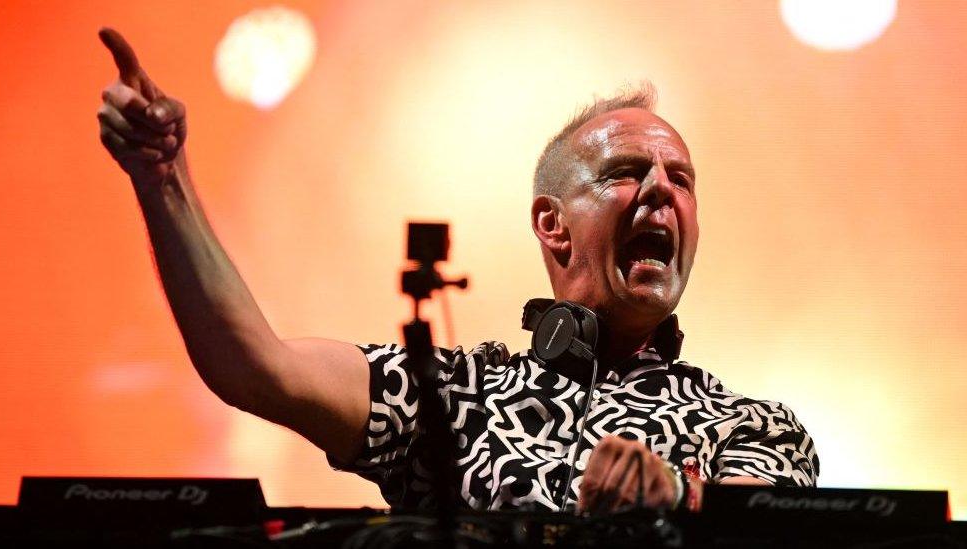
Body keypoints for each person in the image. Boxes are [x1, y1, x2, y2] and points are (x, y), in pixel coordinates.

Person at [96, 27, 818, 515]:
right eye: (628, 172)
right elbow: (255, 364)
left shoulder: (754, 425)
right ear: (552, 224)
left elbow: (761, 528)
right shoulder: (451, 393)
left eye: (681, 179)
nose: (662, 189)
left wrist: (674, 505)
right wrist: (163, 181)